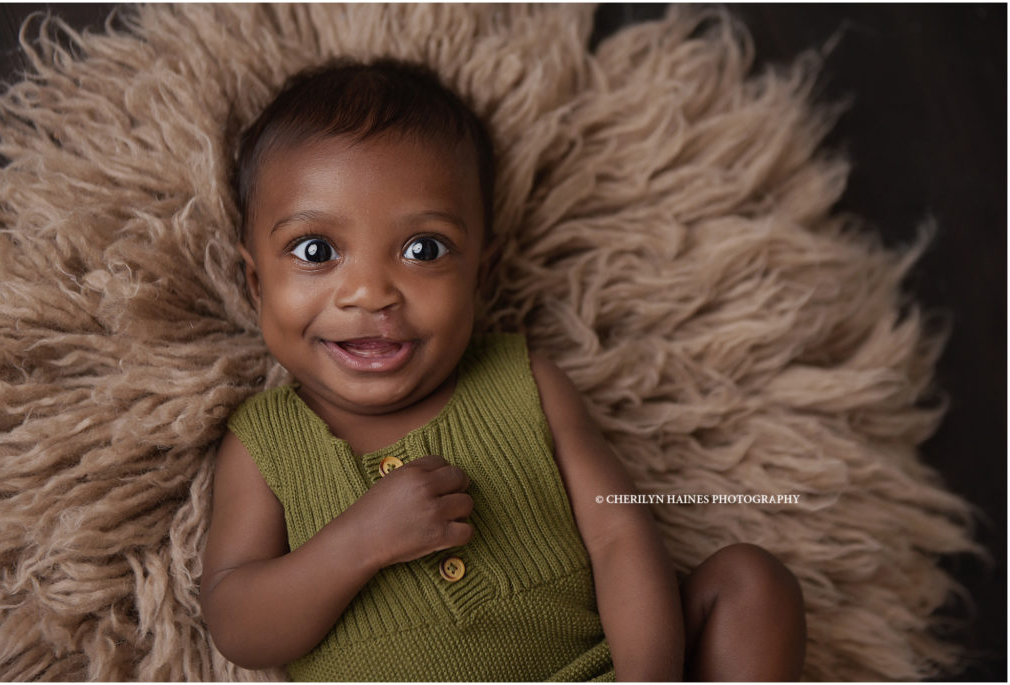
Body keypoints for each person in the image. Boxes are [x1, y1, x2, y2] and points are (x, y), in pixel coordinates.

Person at [200, 57, 806, 681]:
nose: (369, 292)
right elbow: (238, 624)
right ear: (255, 281)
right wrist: (359, 541)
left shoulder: (526, 384)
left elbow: (619, 535)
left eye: (423, 250)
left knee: (751, 582)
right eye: (316, 251)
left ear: (480, 276)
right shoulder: (265, 441)